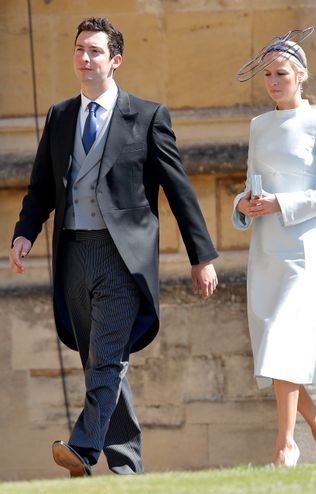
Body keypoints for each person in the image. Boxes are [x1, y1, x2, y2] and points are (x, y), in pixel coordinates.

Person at [9, 17, 218, 477]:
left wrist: (201, 256)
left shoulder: (146, 116)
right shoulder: (60, 116)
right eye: (80, 49)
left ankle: (84, 449)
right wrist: (24, 232)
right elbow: (42, 186)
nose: (85, 58)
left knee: (105, 357)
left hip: (123, 258)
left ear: (115, 60)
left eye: (95, 51)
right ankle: (127, 469)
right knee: (102, 361)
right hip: (73, 255)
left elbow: (179, 189)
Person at [232, 29, 316, 467]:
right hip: (265, 249)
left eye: (281, 73)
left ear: (301, 75)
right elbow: (252, 185)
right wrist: (242, 205)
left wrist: (282, 203)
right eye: (267, 75)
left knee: (283, 341)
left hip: (303, 248)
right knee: (274, 350)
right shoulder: (258, 125)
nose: (273, 82)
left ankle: (286, 446)